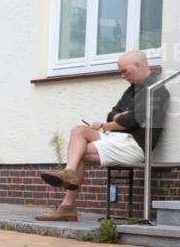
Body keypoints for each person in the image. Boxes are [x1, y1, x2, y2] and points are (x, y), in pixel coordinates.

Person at [36, 49, 169, 221]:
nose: (122, 75)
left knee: (79, 153)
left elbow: (131, 121)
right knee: (78, 131)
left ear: (137, 65)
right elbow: (113, 113)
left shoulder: (156, 90)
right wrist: (119, 119)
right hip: (119, 139)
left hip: (135, 145)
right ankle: (68, 172)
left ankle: (67, 206)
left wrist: (111, 124)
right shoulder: (131, 90)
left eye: (124, 70)